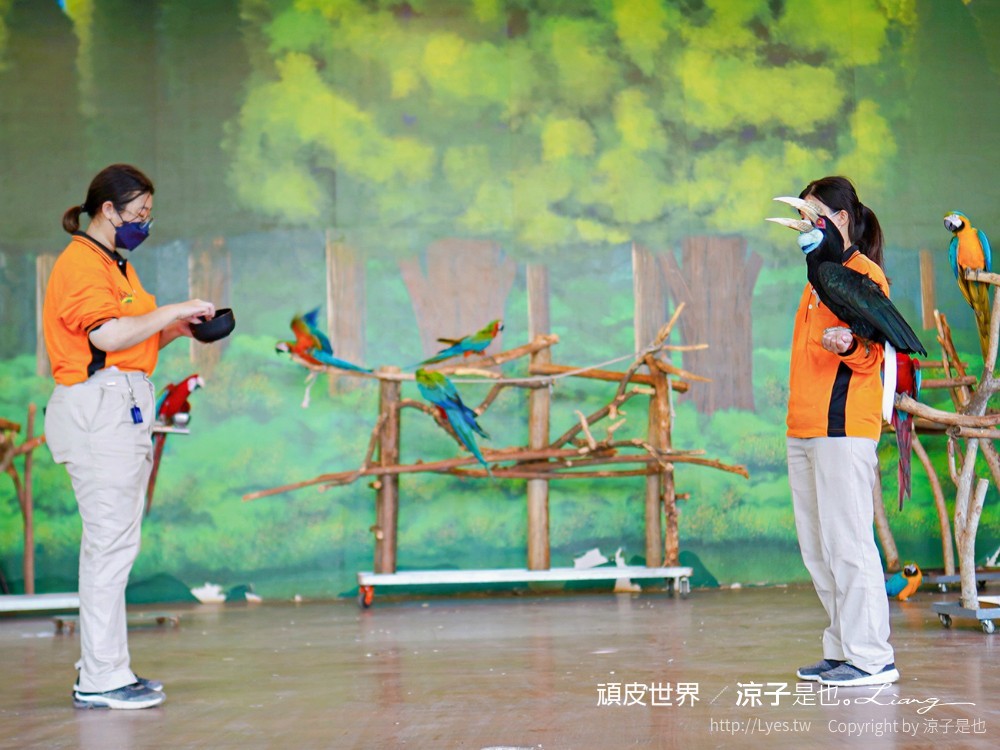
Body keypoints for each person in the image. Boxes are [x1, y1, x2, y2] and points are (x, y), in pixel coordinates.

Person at [43, 164, 216, 709]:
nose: (145, 223)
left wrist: (176, 329)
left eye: (149, 215)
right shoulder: (80, 264)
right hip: (98, 411)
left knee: (116, 544)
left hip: (120, 404)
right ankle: (99, 678)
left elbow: (128, 346)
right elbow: (107, 334)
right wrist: (172, 309)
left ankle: (107, 668)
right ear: (107, 210)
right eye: (138, 214)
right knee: (109, 547)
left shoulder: (114, 265)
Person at [785, 176, 898, 687]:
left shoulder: (862, 273)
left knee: (849, 544)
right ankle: (842, 649)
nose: (806, 222)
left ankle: (872, 657)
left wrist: (847, 346)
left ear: (842, 218)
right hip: (804, 428)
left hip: (842, 427)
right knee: (818, 548)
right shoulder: (817, 275)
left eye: (815, 213)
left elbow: (873, 355)